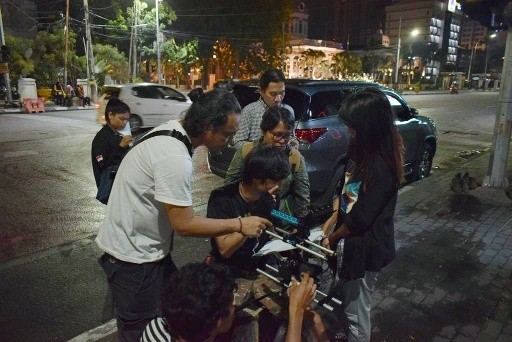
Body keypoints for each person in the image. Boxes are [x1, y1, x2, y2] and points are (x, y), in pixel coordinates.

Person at [95, 89, 272, 341]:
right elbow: (184, 224)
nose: (230, 141)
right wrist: (240, 224)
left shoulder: (172, 130)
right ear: (209, 127)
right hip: (135, 262)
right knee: (140, 333)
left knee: (179, 312)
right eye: (227, 134)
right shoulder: (174, 156)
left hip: (145, 252)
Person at [321, 88, 404, 342]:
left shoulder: (383, 167)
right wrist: (333, 217)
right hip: (349, 239)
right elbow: (348, 190)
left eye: (353, 127)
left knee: (357, 314)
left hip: (366, 249)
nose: (349, 131)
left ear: (369, 126)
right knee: (346, 305)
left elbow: (360, 220)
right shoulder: (360, 147)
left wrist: (332, 239)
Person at [141, 263, 325, 342]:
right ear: (218, 322)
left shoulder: (155, 329)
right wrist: (297, 311)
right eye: (231, 302)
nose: (235, 305)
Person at [208, 144, 291, 276]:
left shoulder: (270, 197)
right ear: (257, 178)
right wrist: (257, 214)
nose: (279, 186)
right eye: (275, 180)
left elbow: (272, 227)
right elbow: (225, 250)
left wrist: (294, 224)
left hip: (259, 265)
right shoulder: (222, 199)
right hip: (228, 270)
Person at [225, 106, 310, 219]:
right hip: (248, 217)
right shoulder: (247, 151)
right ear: (264, 131)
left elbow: (302, 195)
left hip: (280, 219)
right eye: (277, 134)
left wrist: (298, 223)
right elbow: (230, 184)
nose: (282, 140)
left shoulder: (294, 157)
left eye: (287, 135)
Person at [233, 69, 294, 148]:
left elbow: (292, 137)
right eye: (273, 94)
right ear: (261, 91)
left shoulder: (288, 110)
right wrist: (263, 146)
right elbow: (238, 143)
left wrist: (293, 143)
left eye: (282, 93)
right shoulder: (249, 112)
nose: (278, 99)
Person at [91, 98, 133, 189]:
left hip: (121, 184)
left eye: (127, 119)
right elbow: (105, 166)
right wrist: (121, 147)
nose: (125, 122)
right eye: (122, 119)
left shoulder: (117, 134)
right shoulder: (101, 138)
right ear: (110, 115)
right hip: (111, 188)